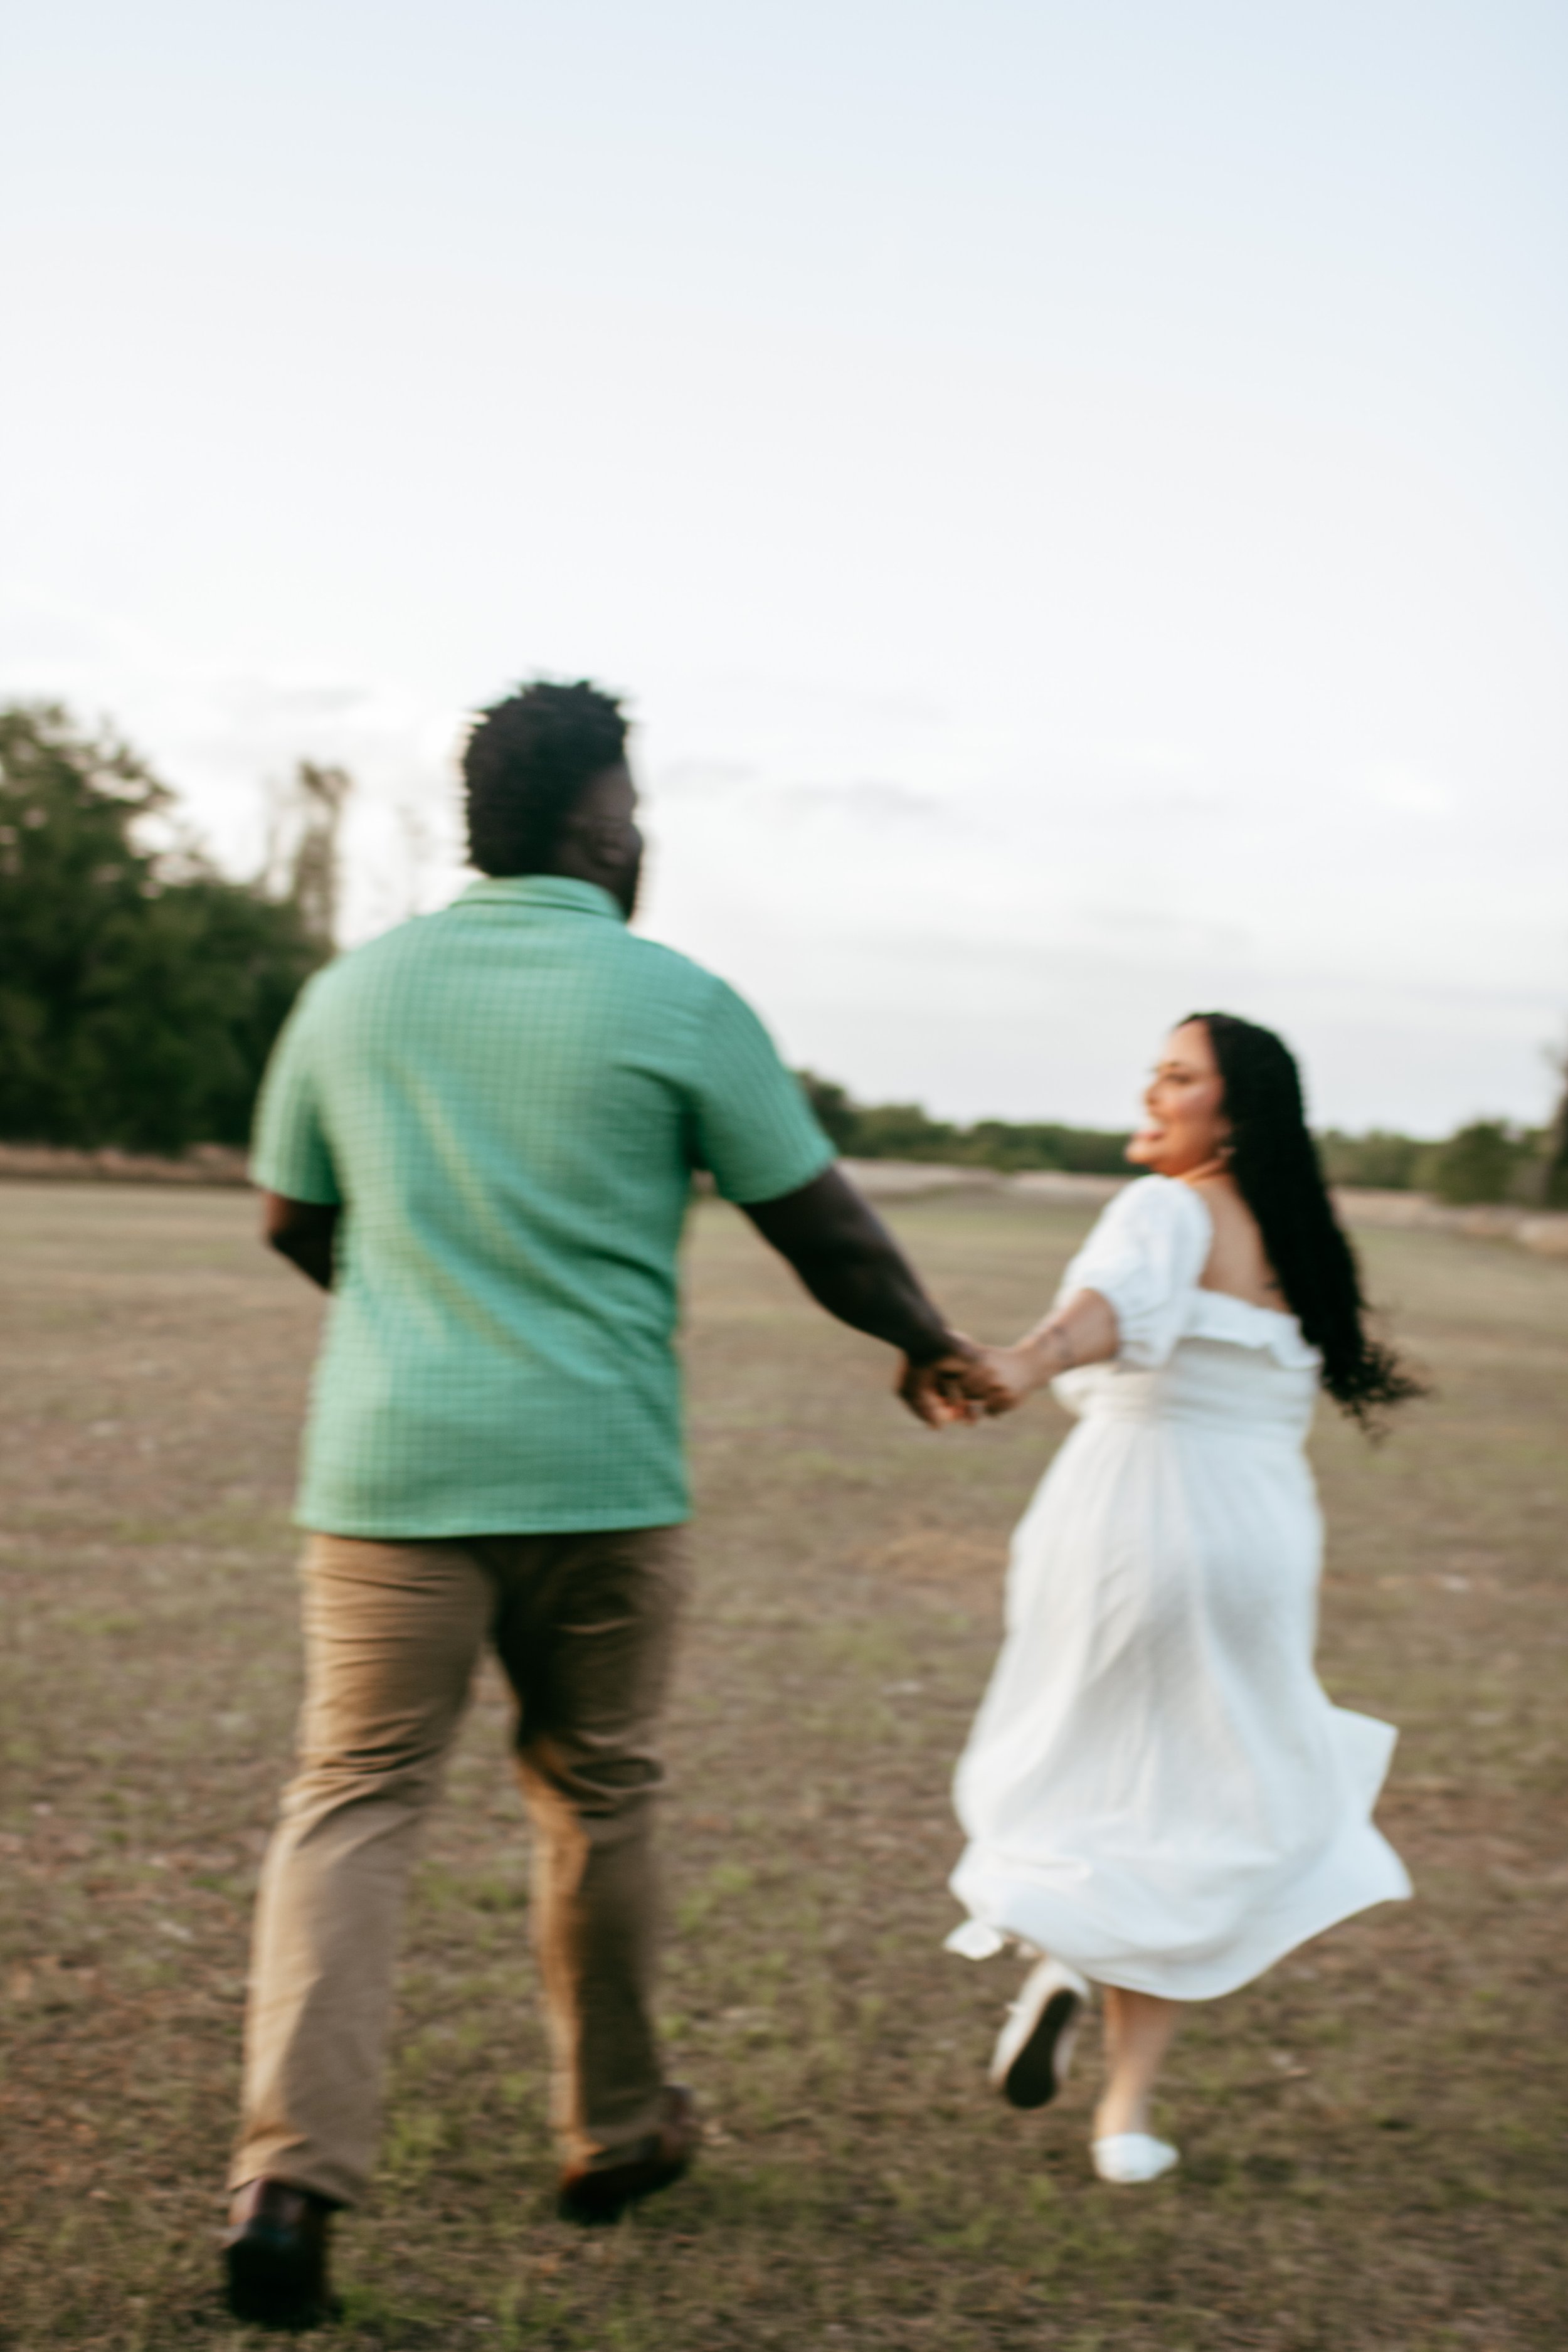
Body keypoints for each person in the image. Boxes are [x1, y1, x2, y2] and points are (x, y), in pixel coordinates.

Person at [222, 679, 984, 2328]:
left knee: (350, 1801)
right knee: (600, 1791)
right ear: (600, 823)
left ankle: (288, 2179)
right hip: (599, 1476)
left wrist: (414, 1319)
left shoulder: (355, 994)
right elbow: (822, 1224)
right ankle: (616, 2128)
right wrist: (922, 1337)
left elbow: (293, 1216)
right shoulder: (676, 996)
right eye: (634, 807)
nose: (643, 832)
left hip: (388, 1477)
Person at [913, 1013, 1421, 2186]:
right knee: (1199, 1799)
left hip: (1129, 1522)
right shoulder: (1302, 1240)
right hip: (1260, 1532)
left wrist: (1021, 1368)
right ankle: (1125, 2118)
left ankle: (1064, 1955)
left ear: (1230, 1114)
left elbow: (1102, 1309)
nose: (1153, 1090)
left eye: (1179, 1077)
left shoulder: (1163, 1209)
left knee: (1066, 1760)